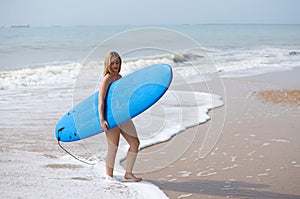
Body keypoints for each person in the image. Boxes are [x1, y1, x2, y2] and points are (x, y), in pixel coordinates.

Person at [98, 51, 142, 182]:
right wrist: (102, 119)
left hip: (122, 115)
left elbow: (123, 97)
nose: (115, 65)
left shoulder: (119, 77)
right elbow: (101, 100)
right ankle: (109, 178)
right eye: (112, 63)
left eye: (117, 63)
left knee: (135, 143)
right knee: (113, 147)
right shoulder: (106, 79)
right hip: (111, 117)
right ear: (108, 64)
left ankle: (128, 173)